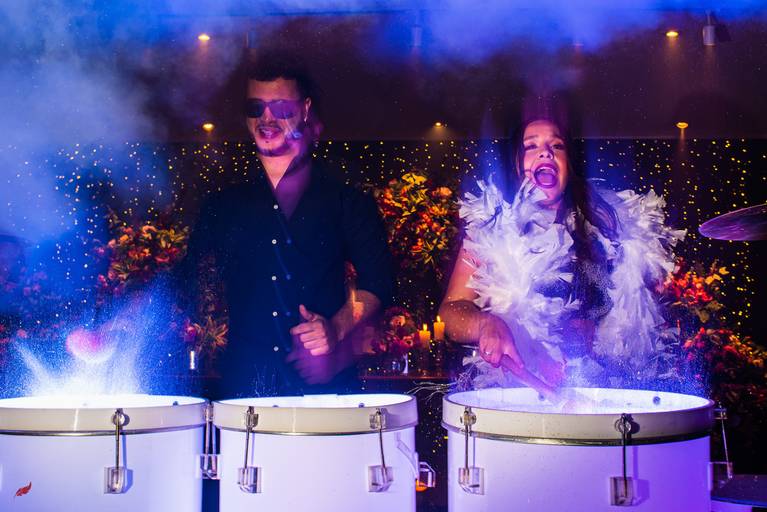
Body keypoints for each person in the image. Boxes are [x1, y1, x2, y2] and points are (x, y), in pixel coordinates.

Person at [183, 56, 393, 399]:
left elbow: (379, 282)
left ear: (305, 109)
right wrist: (123, 321)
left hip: (323, 395)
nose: (267, 119)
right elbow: (186, 280)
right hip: (244, 393)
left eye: (281, 108)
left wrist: (336, 328)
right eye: (256, 108)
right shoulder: (222, 206)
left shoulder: (346, 200)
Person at [439, 115, 684, 389]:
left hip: (607, 391)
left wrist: (598, 334)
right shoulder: (490, 230)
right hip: (523, 392)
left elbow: (639, 316)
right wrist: (485, 324)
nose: (546, 152)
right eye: (531, 146)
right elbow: (451, 311)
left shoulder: (612, 228)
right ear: (517, 165)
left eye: (557, 145)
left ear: (568, 164)